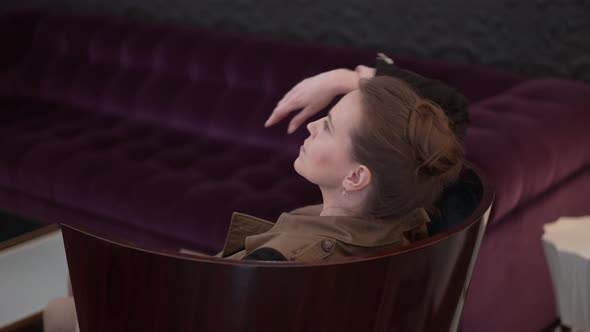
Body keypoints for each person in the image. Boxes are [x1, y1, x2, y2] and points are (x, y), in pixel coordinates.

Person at [218, 73, 465, 261]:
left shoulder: (278, 264)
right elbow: (454, 108)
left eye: (328, 127)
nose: (312, 125)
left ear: (356, 176)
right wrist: (343, 79)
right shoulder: (403, 219)